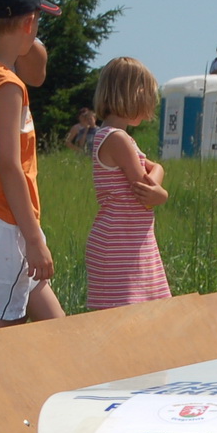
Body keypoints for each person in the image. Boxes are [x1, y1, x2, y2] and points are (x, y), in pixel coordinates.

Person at [0, 0, 63, 327]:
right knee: (3, 335)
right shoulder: (8, 85)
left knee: (55, 326)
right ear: (29, 23)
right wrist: (33, 238)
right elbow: (11, 165)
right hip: (5, 224)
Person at [85, 57, 171, 310]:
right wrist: (161, 192)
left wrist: (159, 171)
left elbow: (151, 170)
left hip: (131, 240)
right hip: (121, 242)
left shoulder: (116, 137)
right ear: (134, 95)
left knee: (140, 310)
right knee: (126, 312)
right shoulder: (117, 139)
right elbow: (144, 189)